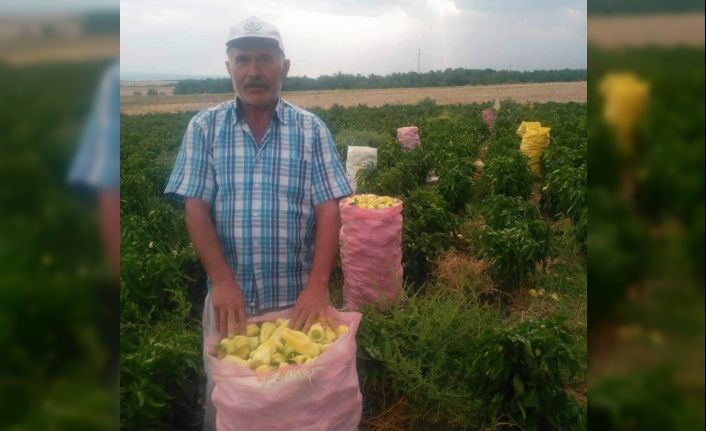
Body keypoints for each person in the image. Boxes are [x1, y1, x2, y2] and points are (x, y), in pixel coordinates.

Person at [164, 16, 351, 429]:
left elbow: (329, 209)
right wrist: (222, 281)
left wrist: (318, 287)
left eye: (265, 59)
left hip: (299, 303)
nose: (254, 71)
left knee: (303, 405)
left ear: (284, 67)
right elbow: (195, 208)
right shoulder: (205, 128)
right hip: (233, 304)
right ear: (228, 66)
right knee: (238, 406)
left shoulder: (311, 130)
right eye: (243, 59)